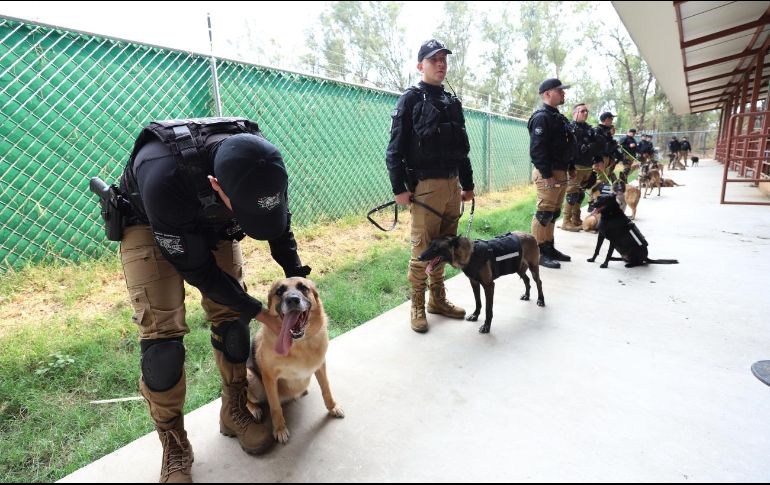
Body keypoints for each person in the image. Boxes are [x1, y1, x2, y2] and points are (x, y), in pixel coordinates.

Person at [116, 118, 311, 482]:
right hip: (150, 222)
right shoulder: (162, 174)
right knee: (163, 347)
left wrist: (297, 273)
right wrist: (261, 313)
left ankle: (234, 408)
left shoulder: (261, 161)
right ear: (217, 186)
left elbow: (278, 225)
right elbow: (201, 273)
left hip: (213, 220)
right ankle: (174, 444)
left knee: (232, 323)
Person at [385, 39, 475, 334]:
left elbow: (462, 148)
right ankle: (417, 306)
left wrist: (468, 184)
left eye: (444, 59)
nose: (441, 64)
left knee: (445, 247)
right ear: (420, 65)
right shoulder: (410, 99)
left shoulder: (451, 101)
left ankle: (438, 300)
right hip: (425, 187)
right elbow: (394, 149)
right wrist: (399, 188)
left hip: (452, 185)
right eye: (434, 59)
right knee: (422, 250)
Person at [528, 78, 576, 268]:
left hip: (560, 170)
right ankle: (537, 252)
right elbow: (537, 150)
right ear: (547, 93)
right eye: (559, 90)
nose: (563, 93)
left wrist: (570, 167)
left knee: (553, 212)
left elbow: (566, 146)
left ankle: (548, 247)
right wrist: (547, 174)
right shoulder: (541, 117)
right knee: (543, 213)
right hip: (548, 173)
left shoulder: (557, 117)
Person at [561, 103, 602, 232]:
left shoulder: (590, 129)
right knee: (572, 193)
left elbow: (597, 147)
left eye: (586, 111)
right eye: (582, 111)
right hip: (575, 166)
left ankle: (576, 218)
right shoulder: (569, 128)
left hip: (588, 166)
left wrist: (599, 160)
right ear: (575, 113)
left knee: (580, 194)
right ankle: (566, 222)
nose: (585, 113)